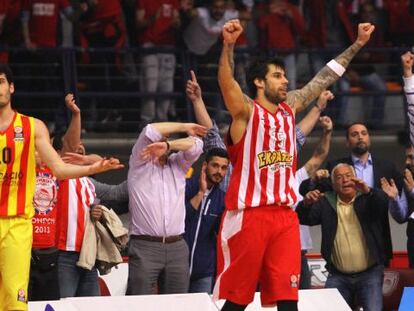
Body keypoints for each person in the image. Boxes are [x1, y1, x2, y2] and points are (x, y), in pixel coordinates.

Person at [213, 19, 374, 311]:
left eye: (285, 76)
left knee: (289, 298)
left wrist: (358, 44)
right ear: (259, 82)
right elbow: (227, 82)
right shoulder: (245, 113)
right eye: (277, 76)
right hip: (250, 216)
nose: (285, 81)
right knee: (237, 301)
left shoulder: (291, 108)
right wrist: (228, 45)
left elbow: (324, 78)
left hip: (286, 218)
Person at [0, 64, 122, 310]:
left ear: (11, 87)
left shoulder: (32, 127)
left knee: (15, 299)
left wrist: (93, 169)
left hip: (17, 223)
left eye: (0, 81)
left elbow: (59, 168)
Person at [126, 121, 206, 295]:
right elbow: (150, 129)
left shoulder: (178, 164)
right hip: (145, 246)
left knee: (177, 305)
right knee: (140, 305)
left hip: (177, 245)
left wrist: (169, 145)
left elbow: (197, 145)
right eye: (162, 136)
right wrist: (185, 127)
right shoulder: (139, 161)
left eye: (166, 137)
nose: (162, 139)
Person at [296, 163, 389, 311]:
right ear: (333, 184)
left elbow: (383, 204)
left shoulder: (367, 198)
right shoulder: (327, 202)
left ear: (356, 179)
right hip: (338, 275)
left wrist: (369, 191)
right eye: (339, 177)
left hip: (370, 274)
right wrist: (305, 204)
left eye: (348, 176)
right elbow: (305, 218)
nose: (345, 180)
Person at [325, 122, 402, 266]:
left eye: (364, 133)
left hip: (378, 241)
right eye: (354, 135)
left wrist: (396, 199)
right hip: (345, 237)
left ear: (369, 139)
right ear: (347, 143)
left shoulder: (387, 167)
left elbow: (403, 199)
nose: (360, 137)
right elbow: (320, 195)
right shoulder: (336, 168)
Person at [184, 147, 229, 294]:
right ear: (205, 166)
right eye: (215, 165)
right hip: (177, 269)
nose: (219, 172)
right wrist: (201, 193)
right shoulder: (185, 186)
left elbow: (221, 234)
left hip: (204, 273)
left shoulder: (223, 199)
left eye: (224, 168)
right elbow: (181, 220)